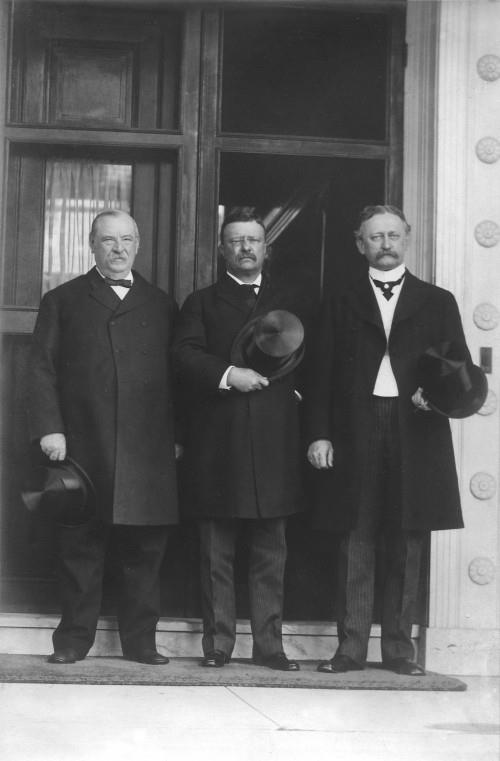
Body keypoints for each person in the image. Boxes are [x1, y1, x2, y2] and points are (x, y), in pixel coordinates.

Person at [305, 204, 476, 676]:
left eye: (393, 235)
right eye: (375, 237)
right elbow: (318, 375)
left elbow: (456, 367)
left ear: (408, 237)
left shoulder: (437, 300)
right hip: (354, 427)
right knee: (354, 535)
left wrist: (435, 399)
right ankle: (350, 649)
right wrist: (319, 433)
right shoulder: (339, 299)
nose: (385, 244)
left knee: (407, 535)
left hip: (415, 428)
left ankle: (400, 651)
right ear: (360, 244)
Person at [28, 209, 180, 665]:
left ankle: (141, 643)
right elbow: (40, 370)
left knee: (143, 549)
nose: (118, 249)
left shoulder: (161, 304)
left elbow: (180, 377)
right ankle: (73, 642)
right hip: (82, 444)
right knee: (80, 547)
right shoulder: (63, 300)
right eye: (108, 240)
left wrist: (178, 437)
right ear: (92, 245)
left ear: (138, 245)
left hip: (147, 449)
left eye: (127, 240)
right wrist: (50, 428)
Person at [173, 207, 305, 671]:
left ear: (267, 249)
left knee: (272, 551)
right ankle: (218, 646)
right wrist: (230, 374)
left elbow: (315, 358)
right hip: (218, 442)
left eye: (253, 241)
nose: (246, 248)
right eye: (236, 241)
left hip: (275, 443)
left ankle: (270, 647)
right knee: (216, 552)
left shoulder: (293, 299)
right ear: (222, 249)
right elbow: (185, 355)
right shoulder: (201, 303)